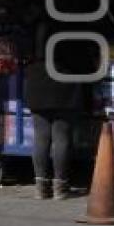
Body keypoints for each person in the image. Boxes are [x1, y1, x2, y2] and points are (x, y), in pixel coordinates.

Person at [23, 16, 88, 200]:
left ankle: (41, 188)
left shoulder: (34, 27)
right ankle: (60, 187)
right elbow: (81, 60)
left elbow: (24, 55)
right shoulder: (71, 28)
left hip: (37, 83)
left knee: (41, 137)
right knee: (61, 137)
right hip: (63, 86)